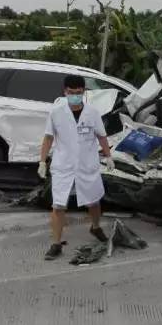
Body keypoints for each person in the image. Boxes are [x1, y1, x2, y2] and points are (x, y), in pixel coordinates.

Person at [38, 74, 115, 260]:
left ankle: (95, 227)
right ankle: (56, 244)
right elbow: (48, 137)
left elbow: (101, 136)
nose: (74, 96)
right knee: (58, 205)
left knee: (94, 201)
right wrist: (42, 161)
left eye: (78, 93)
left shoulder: (93, 113)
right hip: (63, 164)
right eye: (71, 93)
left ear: (84, 92)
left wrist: (108, 155)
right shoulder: (56, 112)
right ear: (65, 92)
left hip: (87, 164)